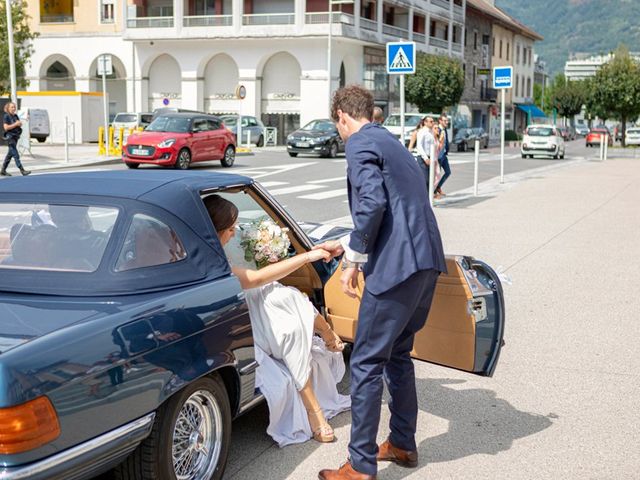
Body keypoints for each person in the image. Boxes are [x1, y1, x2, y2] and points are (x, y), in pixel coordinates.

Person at [315, 85, 446, 480]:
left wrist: (353, 259)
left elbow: (372, 203)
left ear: (341, 115)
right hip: (425, 264)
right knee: (399, 355)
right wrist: (351, 243)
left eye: (337, 124)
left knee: (368, 362)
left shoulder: (358, 143)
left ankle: (360, 465)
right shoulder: (390, 142)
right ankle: (402, 442)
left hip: (395, 268)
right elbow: (398, 204)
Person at [204, 194, 350, 445]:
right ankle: (315, 410)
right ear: (216, 230)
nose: (235, 231)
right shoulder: (209, 259)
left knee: (287, 298)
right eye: (230, 228)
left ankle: (326, 333)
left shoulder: (214, 247)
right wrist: (306, 257)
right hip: (235, 311)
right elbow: (252, 279)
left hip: (250, 299)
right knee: (287, 312)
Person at [2, 102, 30, 176]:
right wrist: (16, 124)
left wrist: (19, 124)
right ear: (8, 108)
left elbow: (18, 125)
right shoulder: (6, 116)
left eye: (14, 107)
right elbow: (6, 127)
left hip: (15, 137)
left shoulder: (15, 116)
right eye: (12, 107)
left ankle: (3, 170)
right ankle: (22, 170)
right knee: (15, 154)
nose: (14, 108)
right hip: (10, 137)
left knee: (9, 155)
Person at [415, 116, 436, 194]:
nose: (432, 123)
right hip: (423, 158)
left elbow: (433, 145)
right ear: (425, 122)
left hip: (430, 157)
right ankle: (423, 199)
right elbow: (419, 146)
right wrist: (426, 158)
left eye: (433, 121)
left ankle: (428, 199)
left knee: (430, 181)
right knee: (425, 180)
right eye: (430, 121)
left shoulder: (431, 132)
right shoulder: (422, 132)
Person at [435, 114, 451, 198]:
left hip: (444, 154)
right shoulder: (438, 129)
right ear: (440, 121)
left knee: (448, 172)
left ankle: (438, 187)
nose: (447, 122)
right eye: (445, 121)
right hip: (439, 156)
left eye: (447, 120)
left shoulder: (444, 129)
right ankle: (434, 192)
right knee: (437, 174)